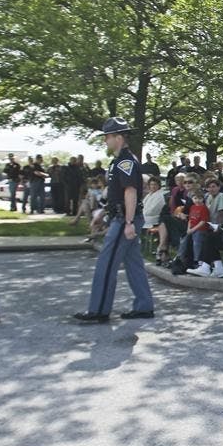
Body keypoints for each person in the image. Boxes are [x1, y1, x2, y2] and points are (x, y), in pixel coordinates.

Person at [73, 117, 154, 322]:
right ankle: (144, 306)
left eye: (108, 137)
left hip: (124, 219)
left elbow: (131, 192)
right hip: (121, 216)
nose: (105, 141)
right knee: (134, 263)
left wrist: (127, 222)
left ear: (119, 137)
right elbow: (117, 194)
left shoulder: (125, 161)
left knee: (106, 263)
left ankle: (99, 310)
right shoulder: (119, 161)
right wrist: (101, 213)